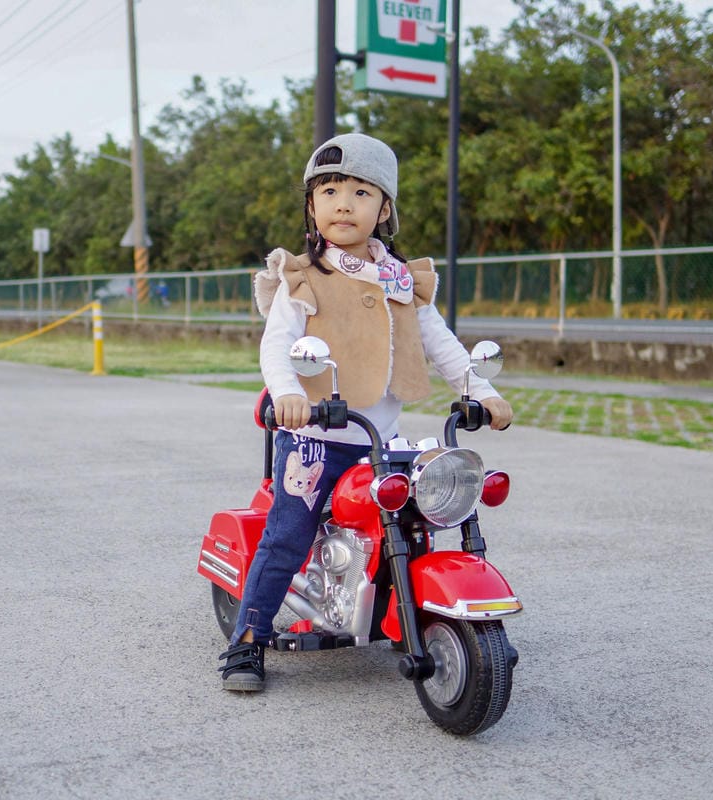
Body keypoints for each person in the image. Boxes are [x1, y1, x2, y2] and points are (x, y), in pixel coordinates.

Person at [217, 132, 514, 692]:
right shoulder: (304, 277)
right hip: (315, 437)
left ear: (384, 210)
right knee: (288, 533)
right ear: (312, 207)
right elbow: (276, 345)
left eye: (360, 192)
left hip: (382, 440)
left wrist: (481, 391)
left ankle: (409, 609)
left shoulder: (401, 280)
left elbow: (443, 344)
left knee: (422, 513)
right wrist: (288, 393)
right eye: (329, 191)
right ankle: (247, 640)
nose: (344, 204)